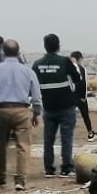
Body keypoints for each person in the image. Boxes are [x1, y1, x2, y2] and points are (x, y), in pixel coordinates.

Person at [0, 38, 41, 189]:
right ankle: (20, 180)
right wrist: (36, 113)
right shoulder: (28, 71)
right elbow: (36, 96)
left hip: (0, 111)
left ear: (3, 53)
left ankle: (1, 179)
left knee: (0, 146)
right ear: (19, 53)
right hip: (22, 111)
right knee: (23, 146)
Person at [32, 33, 83, 177]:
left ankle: (49, 169)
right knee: (66, 137)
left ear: (45, 47)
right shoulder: (65, 61)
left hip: (48, 107)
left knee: (48, 139)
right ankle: (66, 168)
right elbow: (77, 79)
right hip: (66, 105)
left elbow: (34, 84)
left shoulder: (37, 64)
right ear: (58, 46)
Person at [70, 51, 97, 140]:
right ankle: (90, 134)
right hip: (80, 96)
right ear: (80, 59)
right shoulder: (82, 69)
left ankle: (66, 135)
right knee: (85, 115)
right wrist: (83, 96)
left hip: (71, 96)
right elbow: (83, 83)